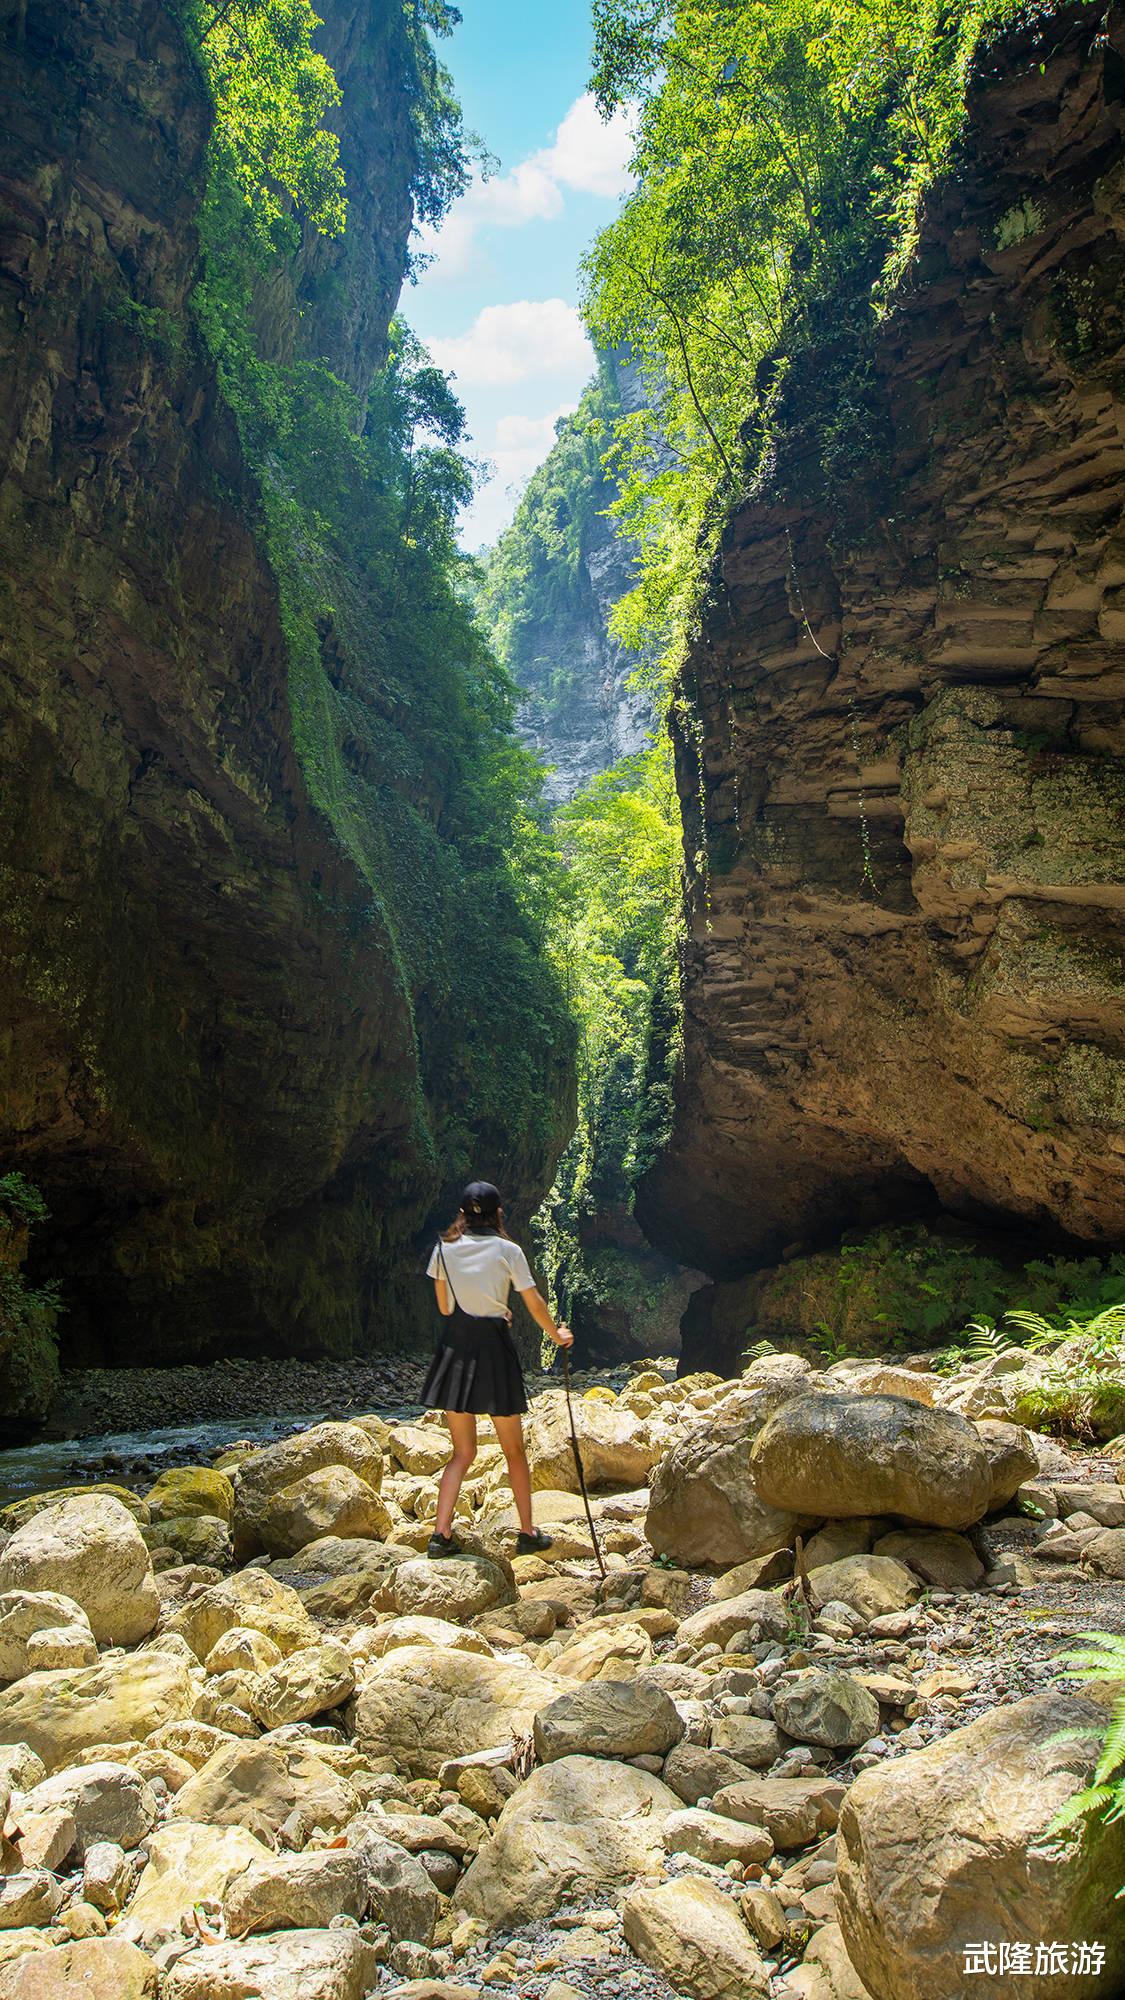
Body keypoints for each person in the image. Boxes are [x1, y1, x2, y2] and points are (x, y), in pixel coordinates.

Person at [422, 1179, 573, 1559]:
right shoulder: (509, 1250)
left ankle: (440, 1535)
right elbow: (534, 1303)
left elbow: (446, 1308)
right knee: (514, 1450)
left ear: (462, 1213)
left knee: (462, 1452)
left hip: (456, 1350)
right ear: (498, 1213)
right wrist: (556, 1335)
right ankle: (527, 1532)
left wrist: (482, 1308)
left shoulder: (443, 1249)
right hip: (493, 1350)